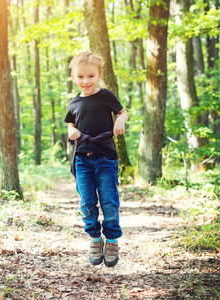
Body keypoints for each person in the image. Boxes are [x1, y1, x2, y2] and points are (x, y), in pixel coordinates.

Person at [64, 51, 129, 267]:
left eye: (91, 76)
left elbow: (123, 112)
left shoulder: (106, 96)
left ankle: (111, 240)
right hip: (82, 158)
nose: (86, 81)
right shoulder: (73, 102)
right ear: (74, 78)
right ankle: (94, 238)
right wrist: (70, 130)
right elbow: (71, 122)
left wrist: (120, 121)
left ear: (99, 76)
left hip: (105, 157)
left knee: (109, 200)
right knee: (87, 202)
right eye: (81, 77)